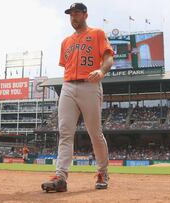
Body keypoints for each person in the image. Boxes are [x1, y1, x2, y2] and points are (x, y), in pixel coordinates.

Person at [41, 2, 114, 192]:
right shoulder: (65, 42)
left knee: (95, 133)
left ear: (85, 15)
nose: (73, 16)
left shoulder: (97, 33)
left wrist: (101, 70)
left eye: (77, 13)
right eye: (71, 14)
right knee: (65, 133)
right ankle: (61, 177)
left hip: (90, 85)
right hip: (68, 86)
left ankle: (102, 172)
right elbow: (66, 65)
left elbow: (108, 57)